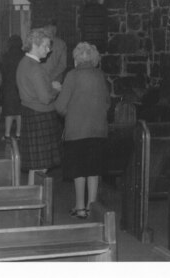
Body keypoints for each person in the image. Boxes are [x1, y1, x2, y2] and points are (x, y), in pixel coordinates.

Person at [55, 42, 110, 219]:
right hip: (98, 129)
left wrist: (70, 114)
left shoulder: (72, 75)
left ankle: (80, 208)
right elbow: (108, 103)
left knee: (78, 172)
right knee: (93, 170)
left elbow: (60, 106)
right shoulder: (100, 75)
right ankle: (91, 207)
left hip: (77, 130)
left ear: (77, 58)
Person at [16, 28, 63, 185]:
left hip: (31, 113)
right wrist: (55, 89)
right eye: (46, 46)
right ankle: (35, 198)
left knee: (36, 167)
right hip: (40, 115)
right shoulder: (35, 67)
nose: (48, 50)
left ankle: (32, 196)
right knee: (40, 167)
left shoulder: (24, 63)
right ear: (35, 45)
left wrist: (48, 85)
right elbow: (44, 98)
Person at [1, 35, 24, 141]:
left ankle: (7, 134)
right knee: (20, 112)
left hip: (9, 86)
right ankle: (19, 134)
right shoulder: (24, 55)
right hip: (21, 86)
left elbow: (2, 72)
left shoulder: (5, 56)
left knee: (9, 112)